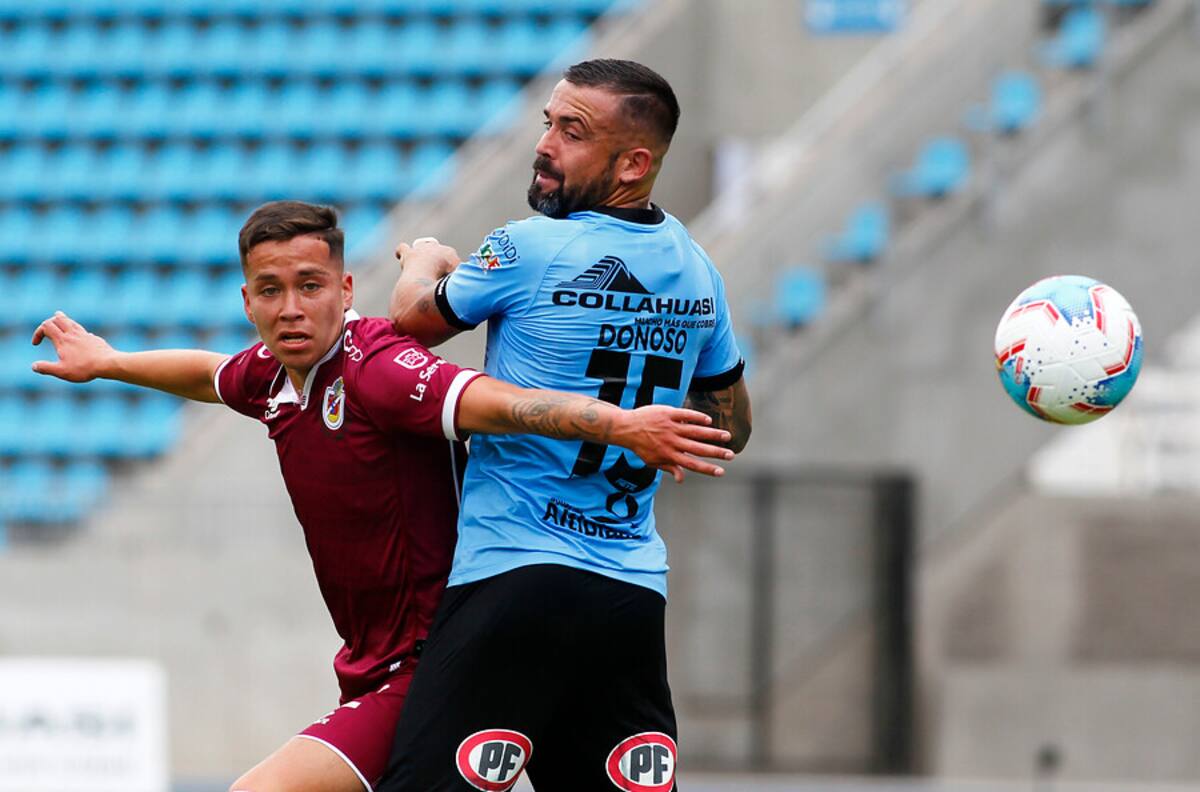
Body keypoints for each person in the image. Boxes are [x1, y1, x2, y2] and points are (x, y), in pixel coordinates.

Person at [30, 200, 735, 792]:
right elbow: (208, 374)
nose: (291, 308)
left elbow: (495, 403)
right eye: (270, 291)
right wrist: (109, 363)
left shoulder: (379, 368)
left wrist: (618, 425)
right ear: (247, 301)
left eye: (310, 286)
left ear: (345, 290)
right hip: (379, 663)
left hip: (438, 658)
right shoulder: (273, 376)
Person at [379, 60, 752, 791]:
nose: (544, 145)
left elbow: (410, 321)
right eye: (548, 123)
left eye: (572, 132)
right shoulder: (698, 272)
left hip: (513, 577)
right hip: (629, 597)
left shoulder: (528, 247)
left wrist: (422, 260)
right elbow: (730, 428)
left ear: (634, 164)